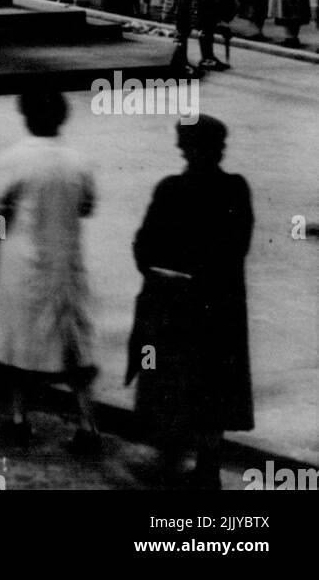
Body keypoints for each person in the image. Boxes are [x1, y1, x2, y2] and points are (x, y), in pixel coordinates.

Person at [126, 115, 253, 489]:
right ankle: (209, 466)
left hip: (175, 303)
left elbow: (144, 245)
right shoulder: (236, 188)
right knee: (215, 385)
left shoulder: (170, 189)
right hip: (221, 305)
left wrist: (159, 269)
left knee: (169, 380)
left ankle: (168, 462)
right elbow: (239, 246)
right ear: (220, 150)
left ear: (186, 149)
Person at [0, 91, 99, 452]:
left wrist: (3, 230)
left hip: (21, 261)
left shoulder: (11, 160)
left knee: (20, 342)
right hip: (66, 260)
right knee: (72, 344)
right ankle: (86, 424)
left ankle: (19, 420)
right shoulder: (79, 161)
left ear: (26, 118)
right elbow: (86, 207)